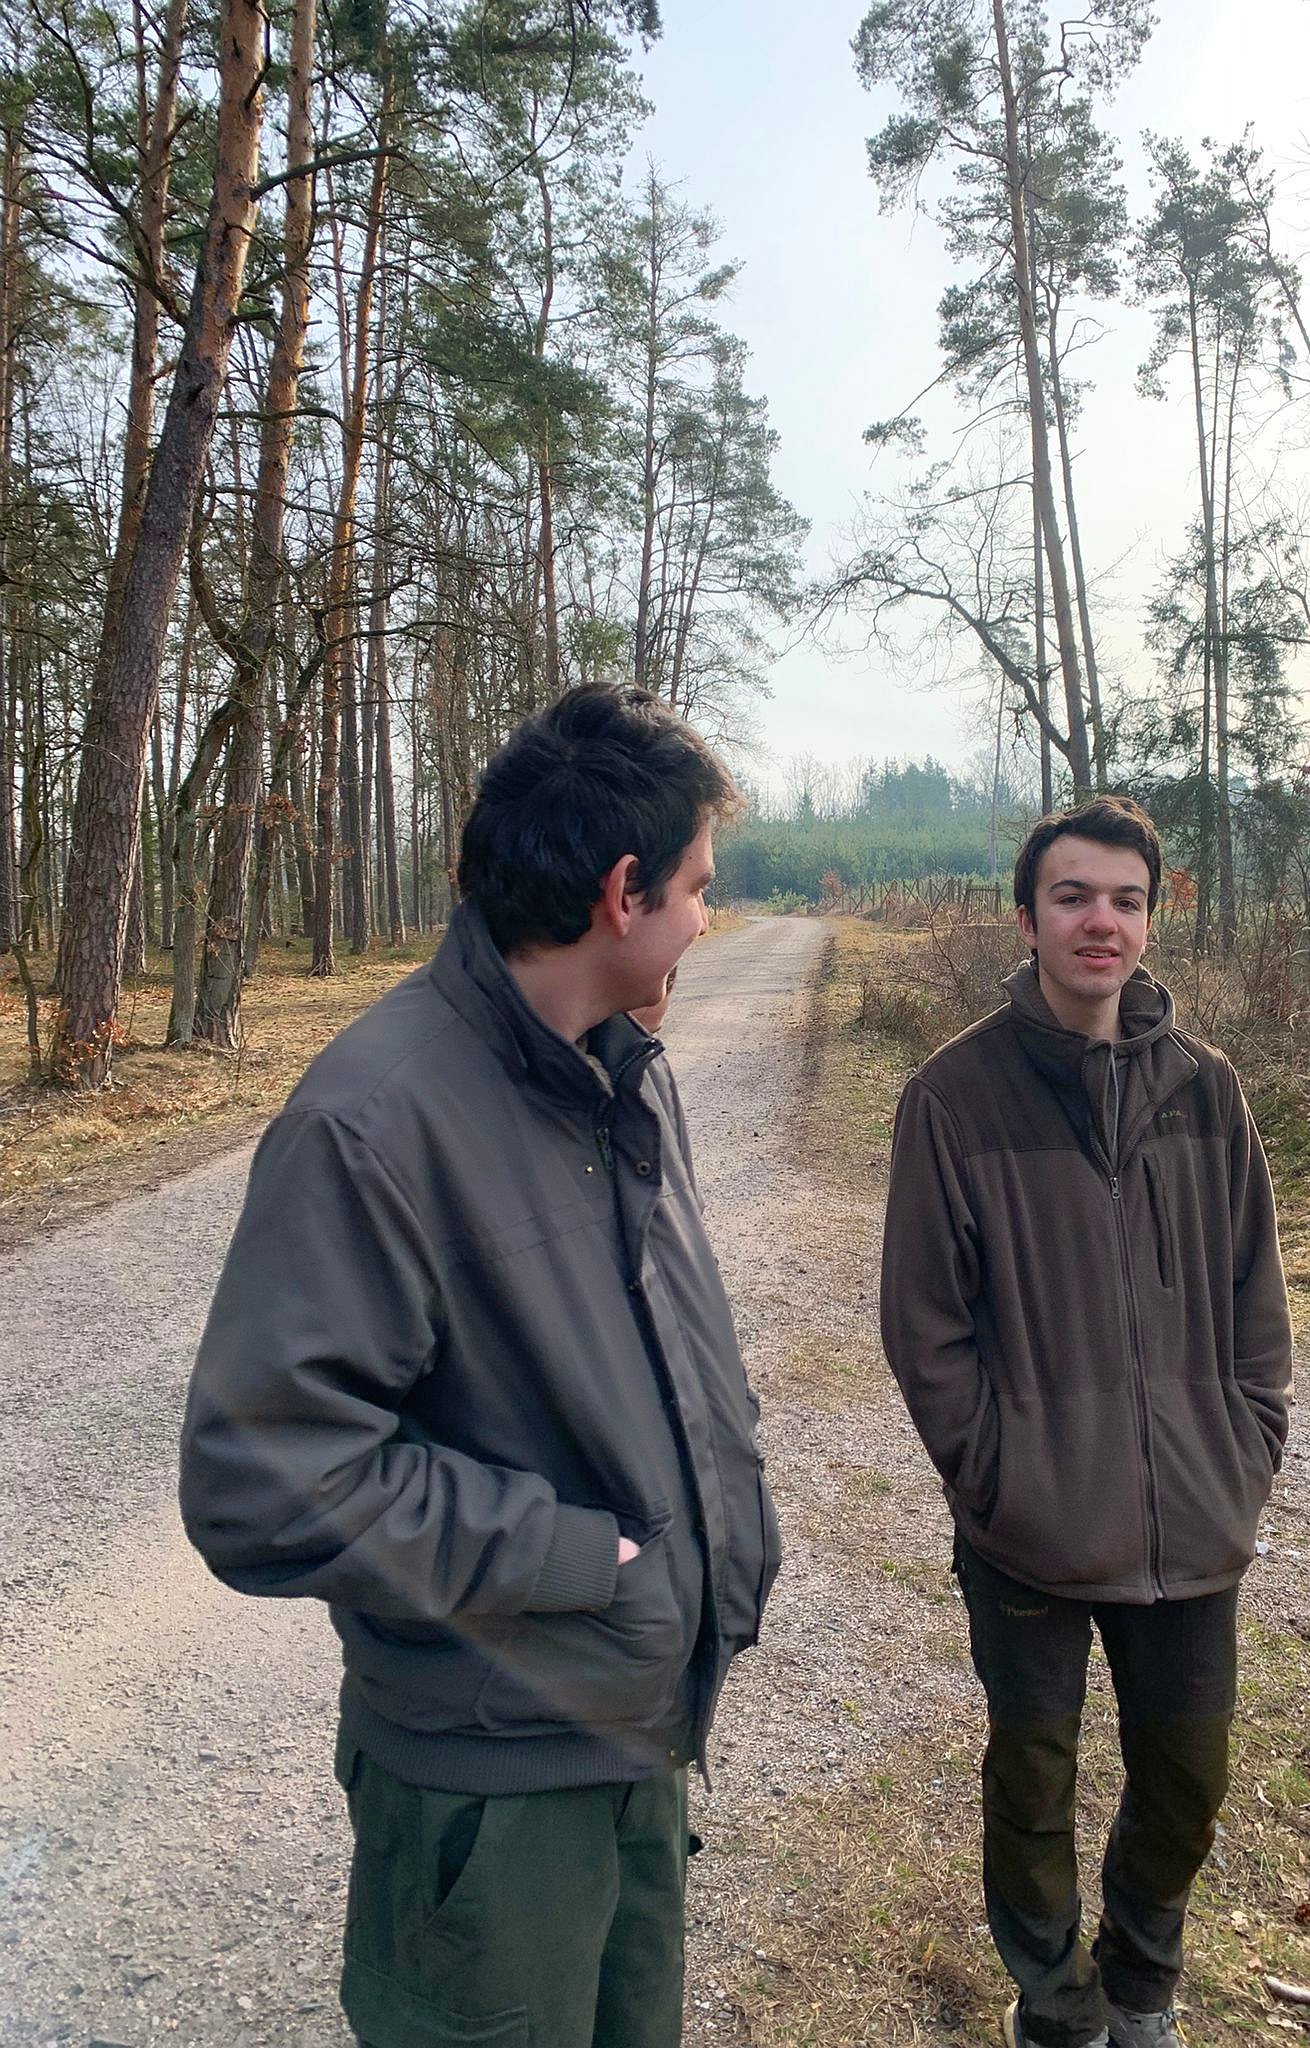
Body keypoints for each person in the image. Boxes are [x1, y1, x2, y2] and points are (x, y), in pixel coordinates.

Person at [181, 684, 780, 2048]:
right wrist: (575, 1557)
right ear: (622, 893)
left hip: (632, 1731)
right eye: (699, 886)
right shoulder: (371, 1121)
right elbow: (261, 1478)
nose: (707, 917)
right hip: (490, 1786)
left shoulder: (624, 1069)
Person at [880, 795, 1292, 2048]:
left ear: (1151, 919)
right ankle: (1056, 2005)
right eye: (1072, 896)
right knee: (1033, 1780)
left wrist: (1244, 1446)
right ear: (1027, 917)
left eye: (1125, 898)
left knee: (1188, 1775)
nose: (1099, 920)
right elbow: (925, 1324)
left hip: (1193, 1519)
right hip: (1031, 1529)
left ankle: (1141, 1981)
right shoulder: (953, 1096)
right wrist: (997, 1479)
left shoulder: (1208, 1091)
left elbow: (1257, 1295)